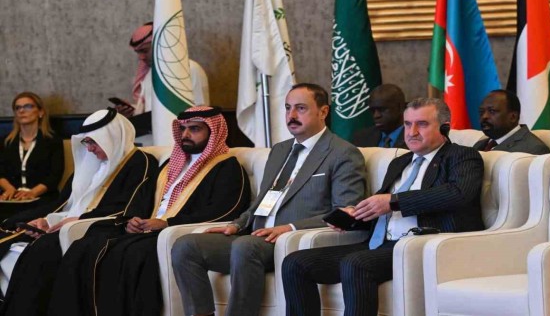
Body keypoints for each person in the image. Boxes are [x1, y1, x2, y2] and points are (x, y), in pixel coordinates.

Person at [171, 83, 366, 316]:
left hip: (292, 241)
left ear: (323, 112)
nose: (291, 116)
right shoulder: (280, 150)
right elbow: (263, 200)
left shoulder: (342, 153)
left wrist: (289, 227)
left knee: (246, 246)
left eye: (301, 108)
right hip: (254, 237)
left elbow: (344, 212)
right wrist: (237, 224)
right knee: (186, 245)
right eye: (288, 108)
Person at [282, 97, 484, 316]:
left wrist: (394, 201)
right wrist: (354, 217)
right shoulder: (400, 162)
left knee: (356, 263)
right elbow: (381, 209)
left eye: (422, 124)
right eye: (407, 124)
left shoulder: (462, 156)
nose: (412, 132)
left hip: (422, 245)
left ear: (445, 128)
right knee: (295, 263)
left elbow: (458, 194)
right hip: (380, 244)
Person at [47, 106, 250, 316]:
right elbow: (143, 196)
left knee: (132, 254)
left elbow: (223, 211)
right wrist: (133, 220)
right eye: (182, 129)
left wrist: (167, 223)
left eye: (195, 129)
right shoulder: (170, 165)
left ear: (214, 131)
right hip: (147, 229)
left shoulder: (228, 168)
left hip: (173, 232)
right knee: (87, 243)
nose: (186, 134)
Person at [0, 108, 157, 315]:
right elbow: (67, 204)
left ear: (111, 137)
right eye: (86, 142)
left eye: (93, 142)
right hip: (70, 224)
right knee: (8, 228)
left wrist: (77, 220)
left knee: (44, 248)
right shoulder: (91, 163)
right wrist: (47, 220)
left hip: (100, 228)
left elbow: (127, 209)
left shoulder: (141, 162)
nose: (89, 149)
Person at [115, 22, 210, 117]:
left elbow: (201, 112)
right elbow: (150, 110)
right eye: (138, 52)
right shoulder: (149, 74)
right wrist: (130, 113)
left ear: (161, 44)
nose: (141, 57)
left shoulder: (190, 69)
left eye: (144, 50)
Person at [0, 92, 64, 221]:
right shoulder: (6, 142)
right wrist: (9, 189)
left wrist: (33, 192)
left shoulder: (52, 141)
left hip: (42, 198)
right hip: (11, 198)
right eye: (18, 107)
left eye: (28, 106)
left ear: (40, 112)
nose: (22, 110)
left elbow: (55, 175)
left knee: (24, 217)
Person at [473, 89, 550, 154]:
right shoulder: (480, 144)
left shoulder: (533, 149)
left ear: (513, 117)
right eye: (481, 112)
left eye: (492, 111)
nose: (484, 116)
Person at [351, 84, 407, 149]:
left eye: (382, 109)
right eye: (372, 111)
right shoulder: (361, 138)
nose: (376, 115)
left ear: (400, 108)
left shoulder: (413, 137)